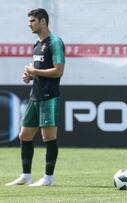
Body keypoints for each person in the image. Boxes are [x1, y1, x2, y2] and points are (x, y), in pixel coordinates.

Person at [5, 8, 65, 187]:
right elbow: (40, 70)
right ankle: (26, 175)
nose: (28, 24)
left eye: (32, 21)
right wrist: (30, 76)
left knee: (48, 138)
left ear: (43, 21)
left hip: (49, 97)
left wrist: (34, 71)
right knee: (24, 135)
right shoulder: (37, 44)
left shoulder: (55, 42)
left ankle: (48, 178)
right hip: (35, 96)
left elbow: (58, 71)